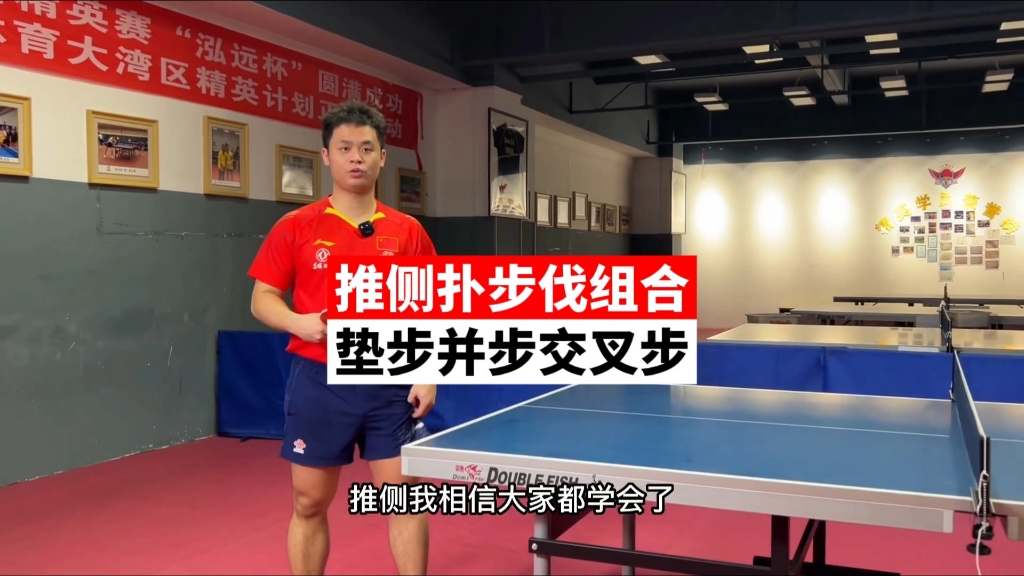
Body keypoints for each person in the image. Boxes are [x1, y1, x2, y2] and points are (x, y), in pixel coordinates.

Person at [247, 101, 437, 576]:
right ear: (326, 156)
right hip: (319, 380)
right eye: (345, 148)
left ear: (382, 158)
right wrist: (300, 322)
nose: (356, 157)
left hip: (391, 381)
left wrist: (428, 373)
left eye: (367, 149)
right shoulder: (296, 226)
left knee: (407, 498)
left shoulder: (409, 231)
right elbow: (262, 299)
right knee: (309, 502)